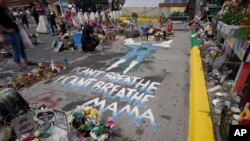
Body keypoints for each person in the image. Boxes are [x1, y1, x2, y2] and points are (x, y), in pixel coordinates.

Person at [0, 0, 29, 70]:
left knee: (21, 47)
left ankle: (26, 61)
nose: (4, 1)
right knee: (16, 49)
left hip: (15, 31)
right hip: (10, 32)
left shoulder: (4, 9)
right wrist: (7, 30)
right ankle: (19, 66)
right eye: (2, 1)